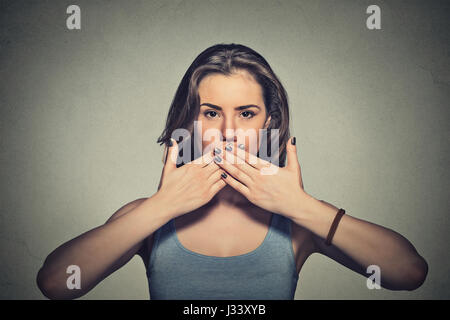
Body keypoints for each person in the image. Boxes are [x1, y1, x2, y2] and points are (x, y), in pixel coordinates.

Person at [36, 43, 428, 300]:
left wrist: (302, 206)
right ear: (188, 121)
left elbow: (408, 272)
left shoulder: (297, 219)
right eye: (210, 113)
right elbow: (56, 283)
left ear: (268, 122)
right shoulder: (150, 217)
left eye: (246, 113)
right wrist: (160, 207)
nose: (227, 132)